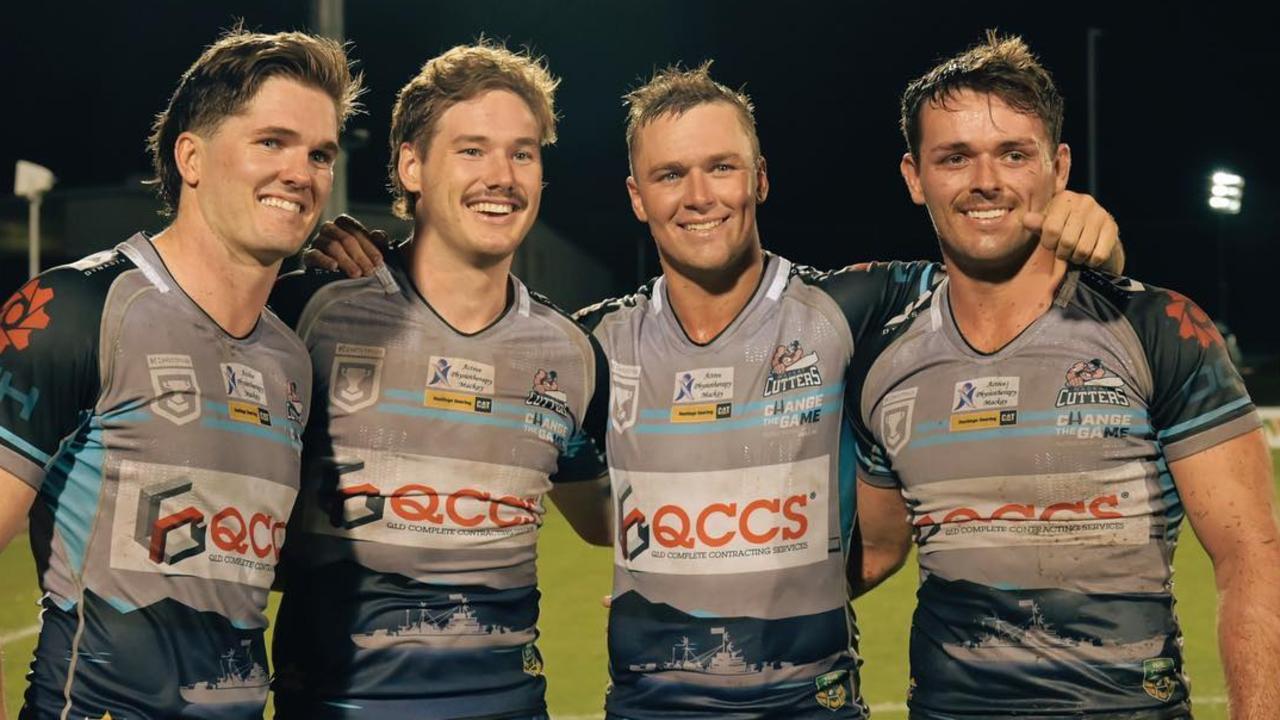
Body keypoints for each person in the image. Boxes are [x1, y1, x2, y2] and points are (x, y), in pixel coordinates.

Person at [311, 61, 1120, 718]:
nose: (699, 196)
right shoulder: (587, 345)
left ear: (759, 178)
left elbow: (994, 277)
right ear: (638, 197)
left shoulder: (858, 310)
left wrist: (1079, 229)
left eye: (721, 168)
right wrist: (378, 260)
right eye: (670, 174)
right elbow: (587, 506)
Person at [850, 32, 1280, 719]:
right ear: (914, 176)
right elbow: (872, 551)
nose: (985, 180)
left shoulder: (1159, 329)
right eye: (954, 157)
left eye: (1014, 155)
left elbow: (1252, 557)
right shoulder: (882, 355)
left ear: (1058, 166)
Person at [0, 28, 361, 720]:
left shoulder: (290, 358)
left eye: (320, 154)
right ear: (190, 156)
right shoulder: (79, 310)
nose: (301, 172)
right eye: (271, 142)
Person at [268, 41, 610, 720]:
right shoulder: (309, 311)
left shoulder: (570, 353)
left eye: (523, 152)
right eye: (473, 150)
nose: (502, 176)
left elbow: (607, 519)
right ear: (411, 165)